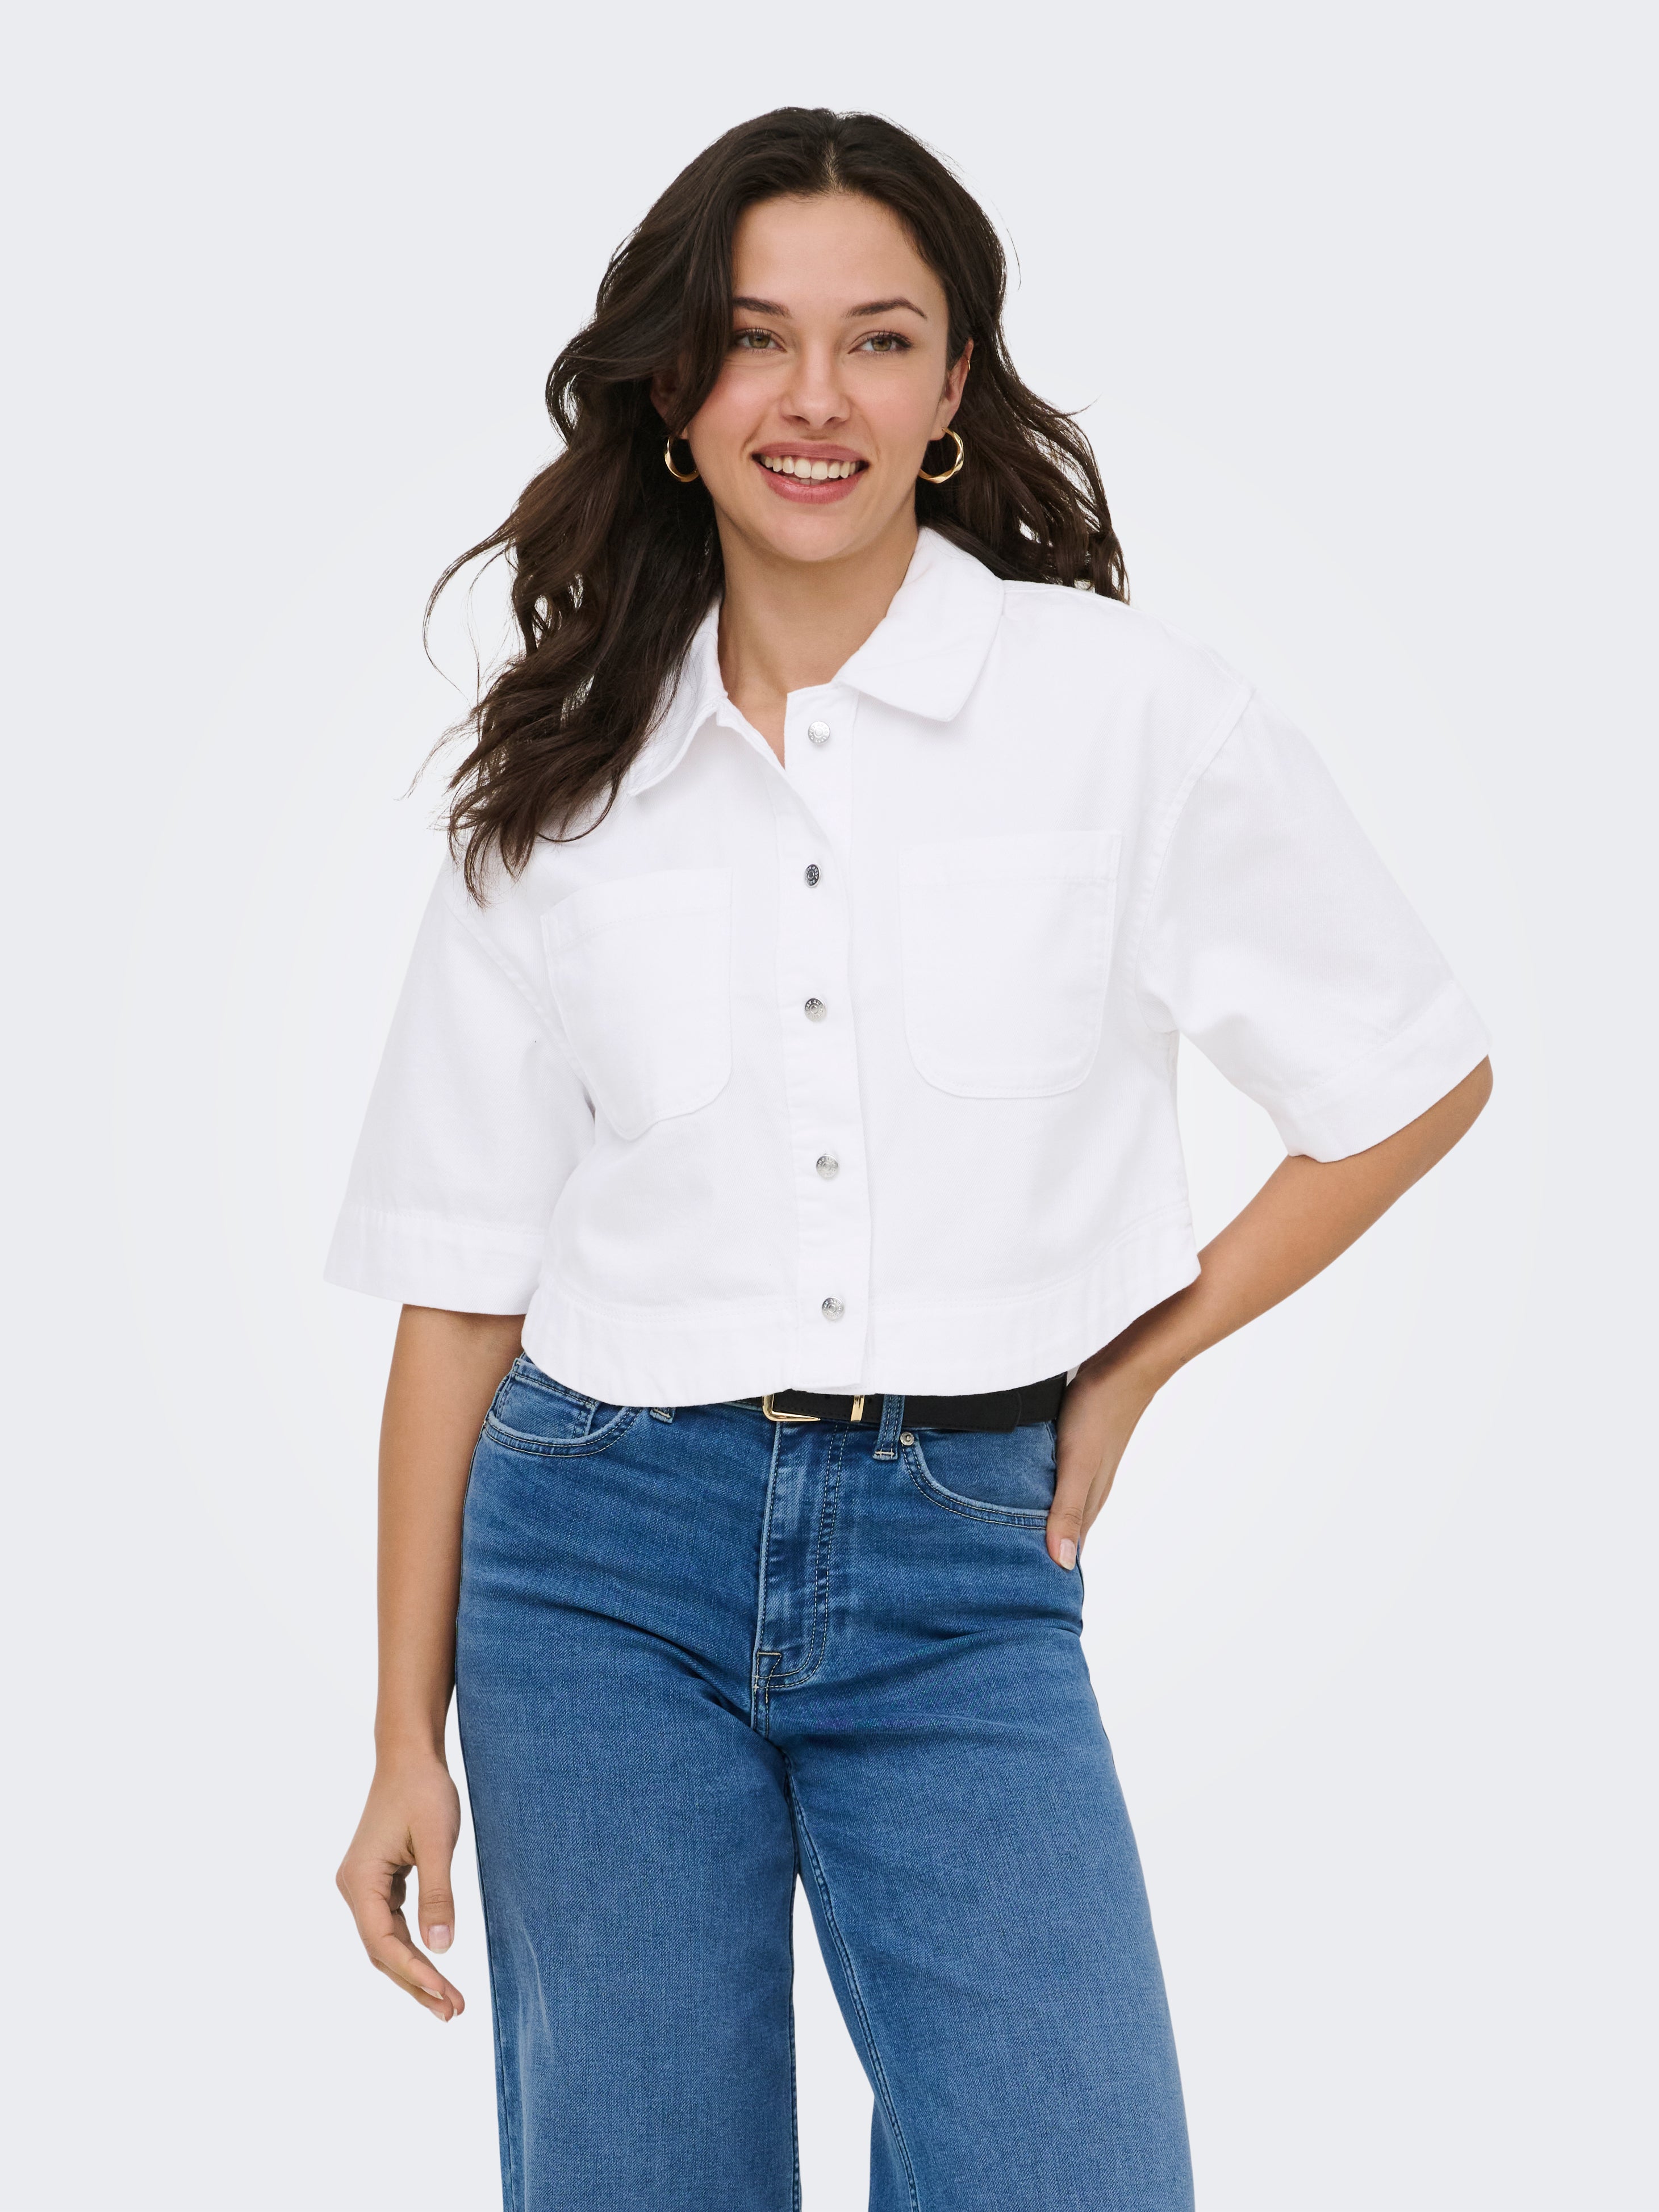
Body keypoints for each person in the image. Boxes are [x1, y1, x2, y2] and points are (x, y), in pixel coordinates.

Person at [328, 107, 1491, 2212]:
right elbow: (460, 1279)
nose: (814, 399)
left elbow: (1405, 1074)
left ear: (953, 386)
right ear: (673, 390)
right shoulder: (563, 775)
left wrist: (1130, 1363)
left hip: (963, 1562)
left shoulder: (1127, 714)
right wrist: (405, 1735)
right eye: (753, 339)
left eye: (877, 341)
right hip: (592, 1566)